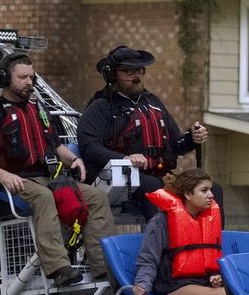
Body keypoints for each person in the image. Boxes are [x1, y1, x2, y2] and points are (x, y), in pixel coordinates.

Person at [0, 52, 114, 287]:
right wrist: (3, 175)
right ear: (5, 78)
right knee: (44, 197)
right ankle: (58, 269)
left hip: (47, 177)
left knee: (96, 197)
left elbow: (54, 146)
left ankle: (103, 266)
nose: (28, 82)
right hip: (12, 182)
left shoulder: (39, 109)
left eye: (31, 77)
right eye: (22, 77)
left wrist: (73, 160)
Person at [76, 45, 223, 221]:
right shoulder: (102, 106)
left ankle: (212, 242)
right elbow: (89, 146)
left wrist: (192, 138)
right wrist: (124, 159)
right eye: (129, 72)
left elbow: (177, 144)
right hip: (127, 179)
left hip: (162, 174)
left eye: (139, 70)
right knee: (155, 188)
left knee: (213, 190)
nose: (136, 76)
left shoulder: (153, 102)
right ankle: (161, 245)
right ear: (113, 75)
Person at [132, 169, 229, 295]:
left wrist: (217, 277)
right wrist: (142, 284)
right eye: (204, 190)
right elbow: (147, 258)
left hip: (203, 283)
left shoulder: (209, 221)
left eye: (210, 190)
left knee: (236, 294)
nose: (211, 195)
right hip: (172, 286)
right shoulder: (161, 222)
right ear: (188, 194)